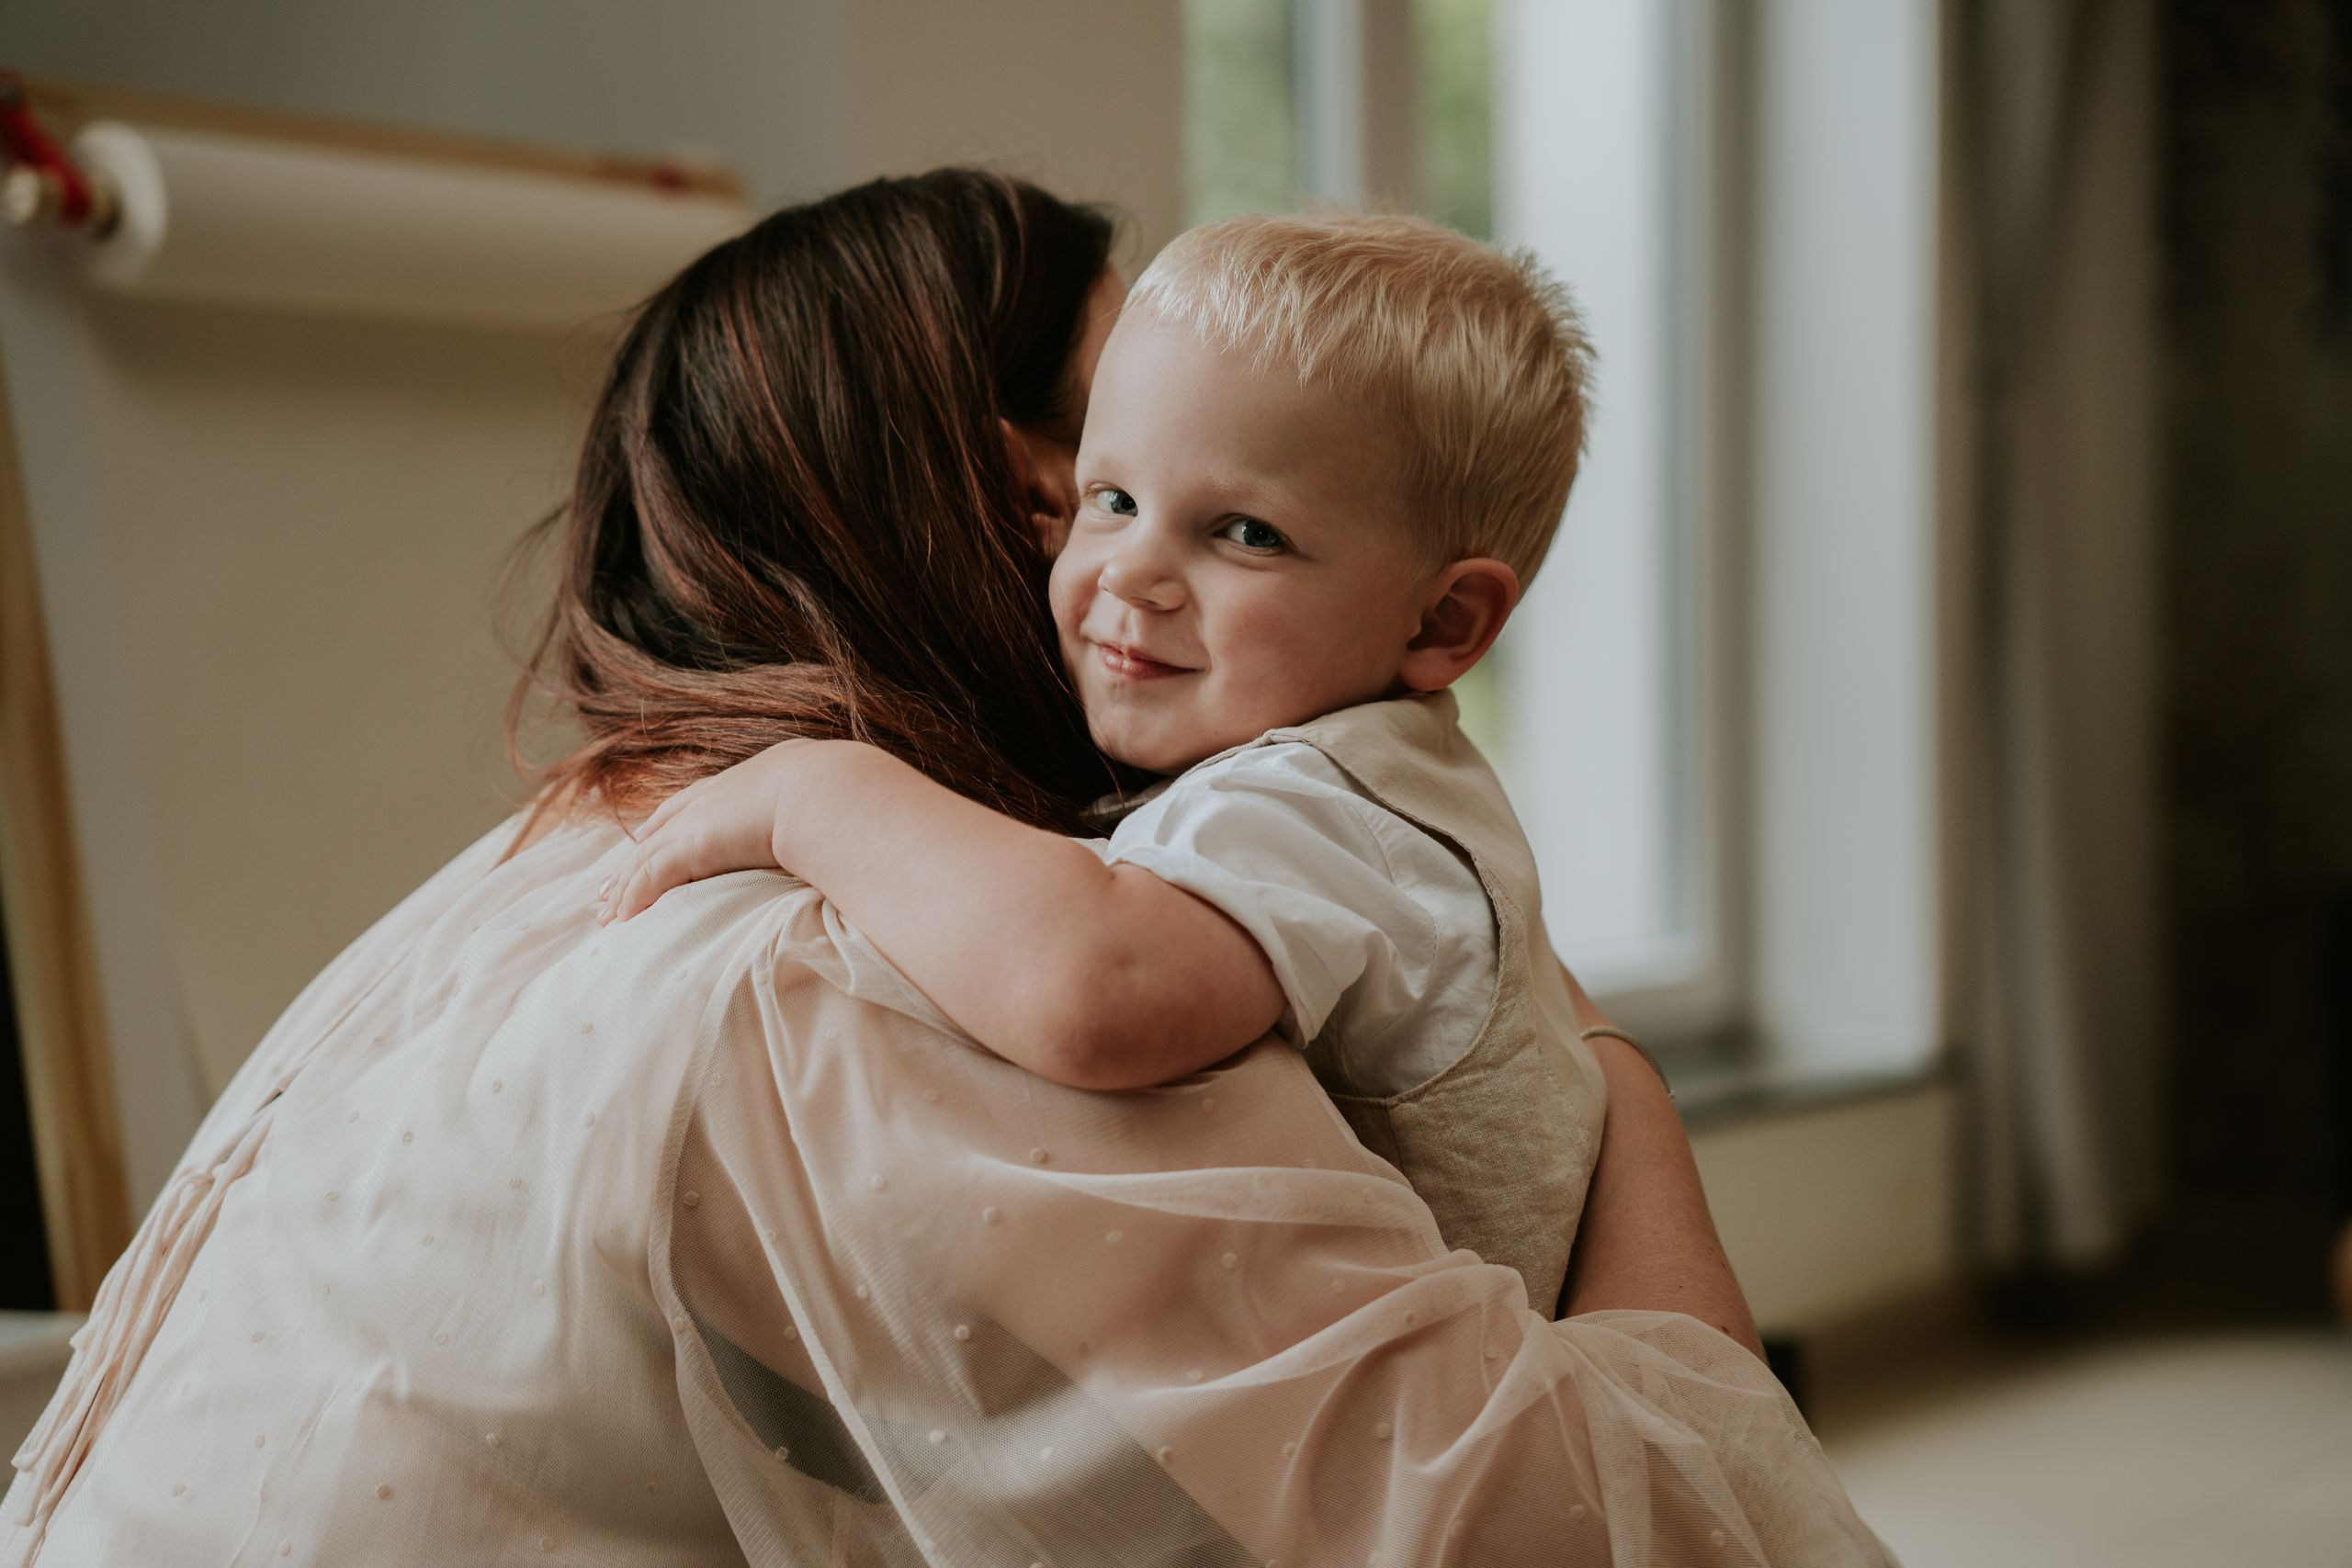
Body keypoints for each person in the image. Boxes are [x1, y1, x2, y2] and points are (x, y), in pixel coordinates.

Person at [1, 170, 1894, 1566]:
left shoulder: (575, 841)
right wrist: (1625, 1095)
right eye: (1121, 472)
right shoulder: (879, 965)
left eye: (1238, 506)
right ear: (1028, 505)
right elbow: (1612, 1536)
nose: (1144, 552)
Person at [601, 210, 1610, 1317]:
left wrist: (815, 791)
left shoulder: (1341, 804)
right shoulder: (1311, 764)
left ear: (1442, 621)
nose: (1133, 575)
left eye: (1245, 534)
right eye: (1113, 500)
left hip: (1459, 1431)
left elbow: (1097, 992)